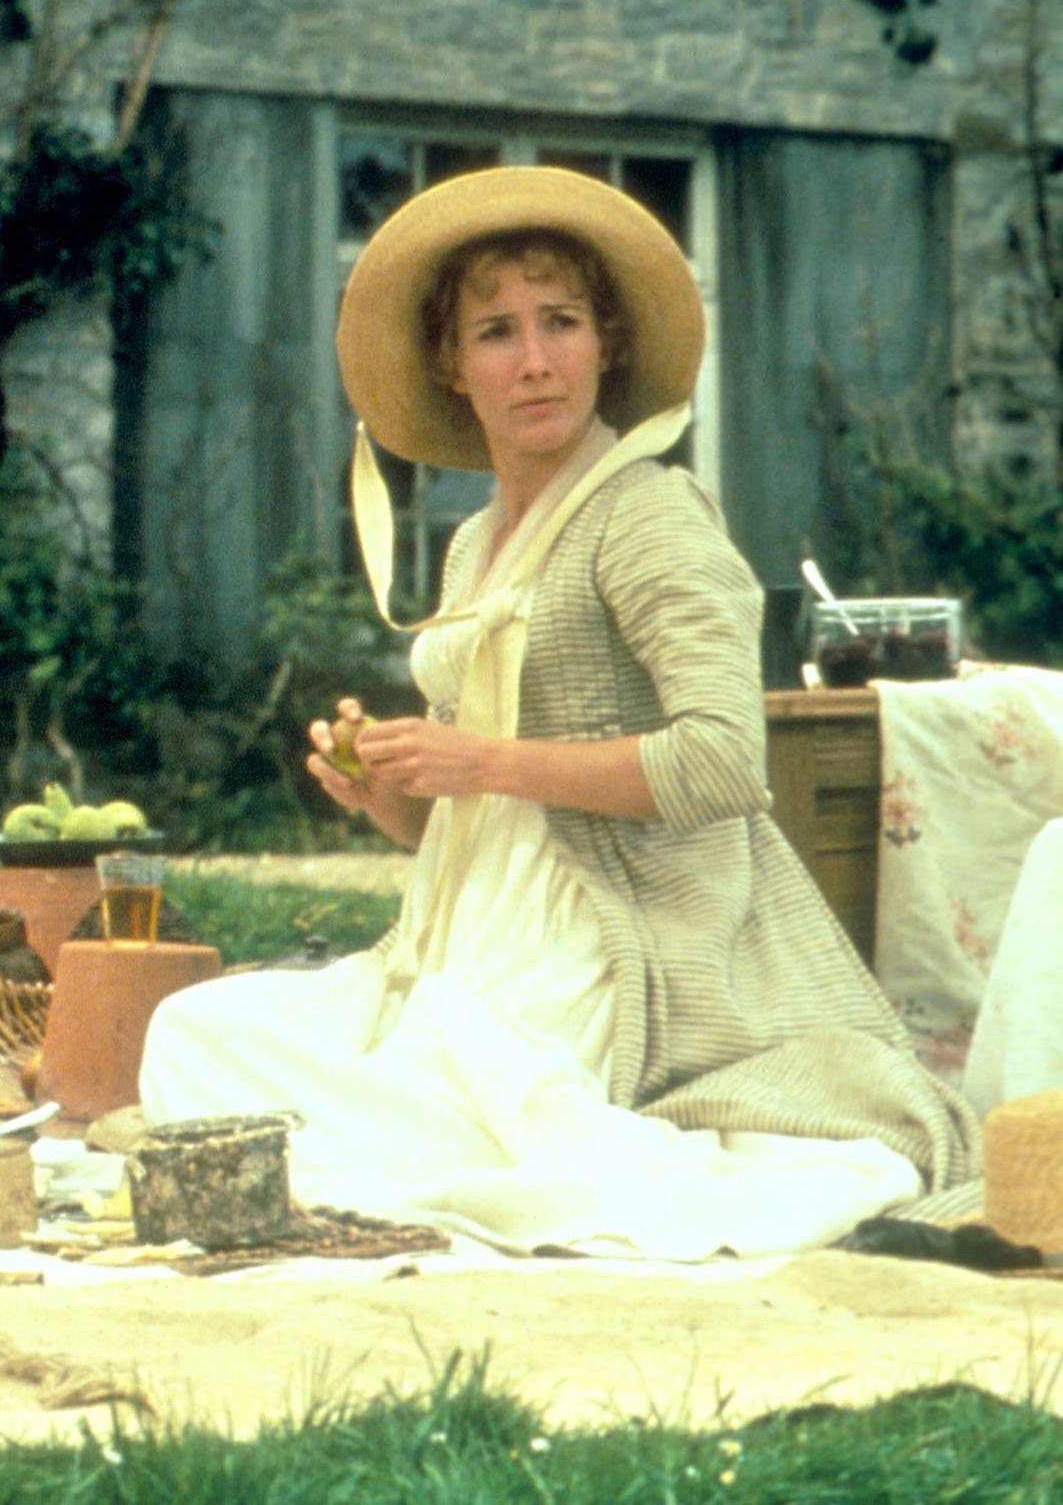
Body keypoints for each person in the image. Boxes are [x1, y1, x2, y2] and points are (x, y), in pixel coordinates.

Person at [138, 166, 975, 1258]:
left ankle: (551, 1154)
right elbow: (478, 830)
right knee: (194, 1029)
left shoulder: (647, 515)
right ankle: (454, 1136)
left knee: (456, 1087)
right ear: (451, 365)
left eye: (561, 323)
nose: (534, 361)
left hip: (613, 947)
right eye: (495, 332)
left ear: (607, 343)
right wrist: (388, 794)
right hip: (476, 934)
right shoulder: (472, 543)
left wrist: (481, 757)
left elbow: (724, 764)